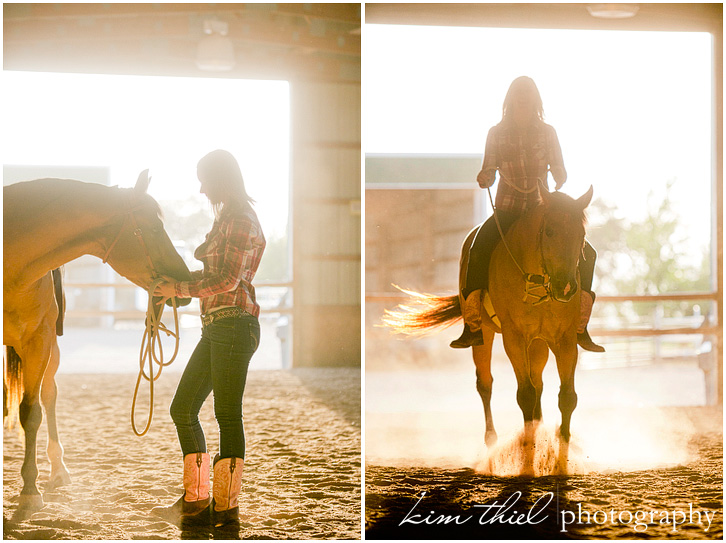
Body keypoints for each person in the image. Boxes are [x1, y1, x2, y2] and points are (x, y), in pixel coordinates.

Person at [151, 149, 266, 527]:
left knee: (227, 414)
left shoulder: (241, 221)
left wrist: (181, 286)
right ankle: (198, 501)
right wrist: (175, 290)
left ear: (220, 180)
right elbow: (213, 282)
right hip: (218, 325)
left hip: (234, 324)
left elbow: (227, 281)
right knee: (182, 409)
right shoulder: (226, 220)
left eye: (205, 180)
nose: (201, 189)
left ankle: (226, 509)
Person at [451, 76, 604, 352]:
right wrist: (486, 176)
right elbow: (489, 168)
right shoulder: (496, 133)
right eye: (518, 97)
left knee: (588, 252)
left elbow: (560, 168)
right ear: (510, 101)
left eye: (527, 96)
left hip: (540, 212)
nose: (523, 101)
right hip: (507, 211)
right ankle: (472, 324)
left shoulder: (548, 133)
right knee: (477, 248)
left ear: (535, 102)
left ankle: (580, 325)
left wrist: (559, 174)